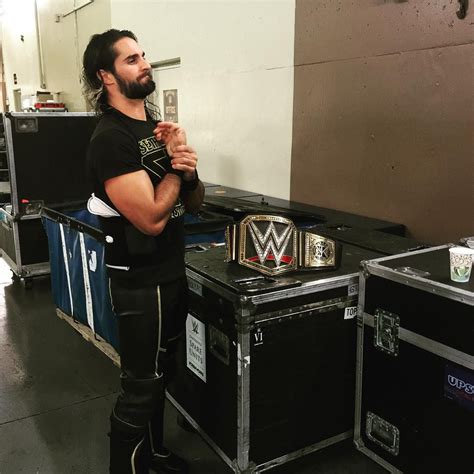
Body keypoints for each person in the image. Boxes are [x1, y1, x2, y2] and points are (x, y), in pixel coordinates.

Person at [82, 29, 204, 474]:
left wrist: (186, 170)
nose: (144, 63)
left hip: (170, 271)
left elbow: (192, 202)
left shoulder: (151, 127)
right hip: (139, 282)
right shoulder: (110, 140)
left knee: (162, 377)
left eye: (143, 55)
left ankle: (152, 457)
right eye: (131, 59)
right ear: (107, 75)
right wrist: (176, 167)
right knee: (141, 387)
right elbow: (151, 218)